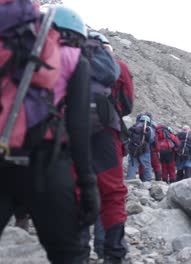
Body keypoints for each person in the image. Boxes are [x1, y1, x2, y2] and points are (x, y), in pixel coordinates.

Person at [0, 5, 99, 263]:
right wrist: (87, 185)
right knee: (68, 253)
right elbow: (79, 127)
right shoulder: (76, 59)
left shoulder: (7, 45)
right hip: (44, 162)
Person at [81, 31, 134, 263]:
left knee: (76, 189)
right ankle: (110, 251)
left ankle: (78, 251)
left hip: (70, 130)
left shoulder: (66, 57)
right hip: (106, 132)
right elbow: (128, 104)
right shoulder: (117, 65)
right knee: (111, 192)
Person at [126, 114, 155, 181]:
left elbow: (127, 136)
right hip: (145, 150)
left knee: (132, 166)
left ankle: (129, 181)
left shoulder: (134, 126)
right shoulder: (149, 128)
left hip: (133, 150)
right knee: (147, 167)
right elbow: (151, 140)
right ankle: (147, 182)